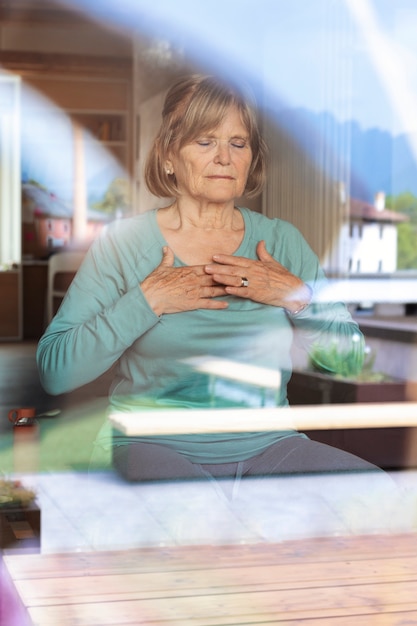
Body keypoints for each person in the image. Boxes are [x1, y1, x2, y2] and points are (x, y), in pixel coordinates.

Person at [37, 74, 378, 483]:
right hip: (149, 444)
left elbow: (352, 361)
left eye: (238, 143)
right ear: (168, 155)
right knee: (197, 519)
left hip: (268, 446)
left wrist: (297, 296)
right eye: (204, 141)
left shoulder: (282, 241)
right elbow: (55, 371)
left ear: (251, 157)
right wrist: (147, 301)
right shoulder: (125, 244)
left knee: (377, 494)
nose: (224, 157)